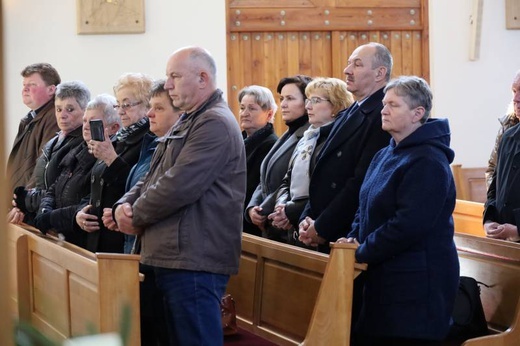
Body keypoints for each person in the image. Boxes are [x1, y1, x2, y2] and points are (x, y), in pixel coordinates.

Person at [113, 46, 246, 345]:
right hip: (174, 255)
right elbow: (153, 174)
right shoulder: (190, 119)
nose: (168, 84)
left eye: (174, 76)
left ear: (202, 78)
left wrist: (136, 216)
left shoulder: (214, 122)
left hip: (195, 259)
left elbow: (179, 184)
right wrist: (125, 203)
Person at [340, 75, 459, 345]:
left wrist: (361, 250)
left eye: (393, 105)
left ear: (418, 113)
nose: (383, 110)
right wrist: (352, 237)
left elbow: (408, 225)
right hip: (383, 277)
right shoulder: (385, 153)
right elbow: (364, 205)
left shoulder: (429, 161)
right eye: (384, 103)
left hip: (416, 287)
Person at [298, 42, 393, 253]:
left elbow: (359, 182)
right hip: (323, 224)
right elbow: (322, 172)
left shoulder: (381, 115)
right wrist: (307, 217)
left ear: (380, 73)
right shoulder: (351, 111)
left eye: (357, 65)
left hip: (346, 233)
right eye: (349, 63)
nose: (347, 70)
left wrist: (322, 227)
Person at [266, 77, 353, 246]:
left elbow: (327, 190)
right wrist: (282, 205)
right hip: (296, 224)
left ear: (336, 105)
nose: (308, 106)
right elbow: (287, 179)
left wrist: (290, 211)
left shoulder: (337, 143)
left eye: (315, 100)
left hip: (318, 227)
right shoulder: (307, 137)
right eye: (308, 100)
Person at [75, 72, 152, 253]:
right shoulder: (120, 139)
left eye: (127, 104)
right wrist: (79, 211)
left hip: (119, 236)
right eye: (118, 104)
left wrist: (111, 158)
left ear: (147, 104)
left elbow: (136, 186)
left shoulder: (148, 140)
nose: (120, 111)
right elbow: (94, 186)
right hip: (97, 234)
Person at [31, 94, 121, 248]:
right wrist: (45, 211)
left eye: (93, 122)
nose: (85, 126)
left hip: (84, 243)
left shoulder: (110, 159)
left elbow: (88, 205)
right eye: (85, 120)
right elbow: (54, 188)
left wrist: (49, 218)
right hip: (61, 238)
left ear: (113, 128)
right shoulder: (76, 151)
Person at [8, 80, 90, 225]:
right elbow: (40, 184)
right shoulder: (53, 141)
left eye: (70, 109)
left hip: (61, 223)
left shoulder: (84, 144)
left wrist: (26, 202)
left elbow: (63, 191)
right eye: (58, 109)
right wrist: (23, 207)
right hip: (39, 218)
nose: (62, 115)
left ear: (85, 111)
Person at [245, 75, 312, 242]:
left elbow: (287, 181)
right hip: (271, 224)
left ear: (307, 102)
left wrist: (263, 209)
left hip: (285, 224)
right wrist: (252, 207)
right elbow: (264, 178)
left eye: (290, 98)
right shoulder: (287, 134)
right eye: (282, 98)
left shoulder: (308, 136)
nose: (283, 104)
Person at [7, 63, 61, 193]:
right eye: (24, 85)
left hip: (28, 204)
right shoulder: (30, 118)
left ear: (51, 90)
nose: (25, 89)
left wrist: (23, 202)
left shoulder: (55, 117)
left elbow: (43, 166)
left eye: (32, 85)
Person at [483, 78, 520, 242]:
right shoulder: (508, 136)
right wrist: (489, 219)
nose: (515, 98)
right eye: (514, 91)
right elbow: (495, 186)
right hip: (505, 243)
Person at [238, 85, 278, 235]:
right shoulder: (238, 140)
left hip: (250, 222)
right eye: (242, 108)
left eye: (252, 109)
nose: (245, 113)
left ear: (269, 114)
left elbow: (253, 186)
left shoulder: (270, 144)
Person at [485, 69, 520, 188]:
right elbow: (492, 170)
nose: (515, 98)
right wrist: (494, 202)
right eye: (514, 91)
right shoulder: (507, 126)